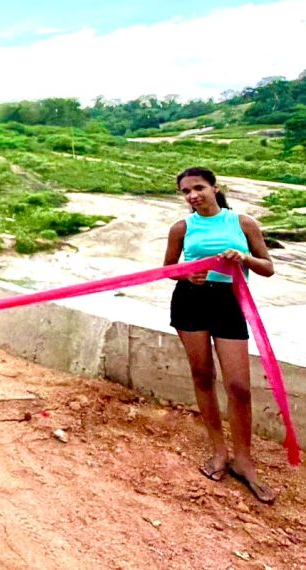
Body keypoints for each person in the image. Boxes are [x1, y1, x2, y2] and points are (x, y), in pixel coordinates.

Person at [163, 167, 276, 504]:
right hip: (191, 302)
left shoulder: (242, 223)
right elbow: (168, 269)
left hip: (230, 301)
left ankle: (244, 460)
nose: (193, 195)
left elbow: (268, 267)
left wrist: (244, 258)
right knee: (203, 376)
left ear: (215, 188)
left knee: (239, 386)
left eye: (198, 188)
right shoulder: (182, 228)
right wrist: (187, 276)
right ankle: (219, 451)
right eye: (186, 191)